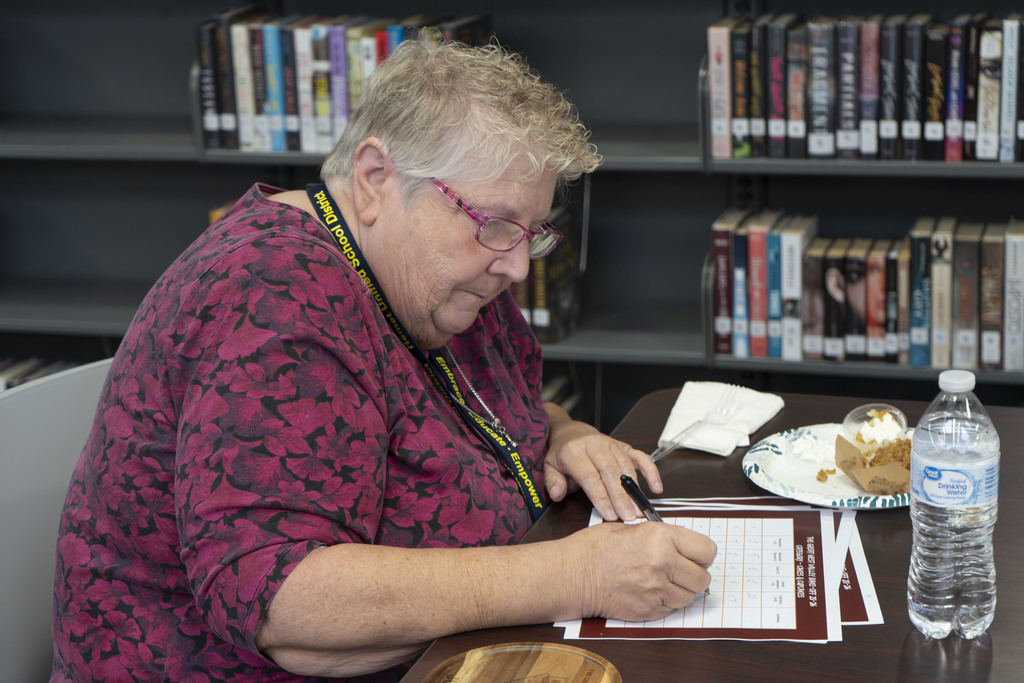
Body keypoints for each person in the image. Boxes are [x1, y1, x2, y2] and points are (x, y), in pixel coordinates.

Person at [50, 34, 716, 681]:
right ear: (374, 179)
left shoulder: (436, 274)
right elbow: (284, 603)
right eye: (496, 225)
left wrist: (560, 435)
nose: (517, 265)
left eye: (533, 233)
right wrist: (576, 576)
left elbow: (452, 406)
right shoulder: (268, 292)